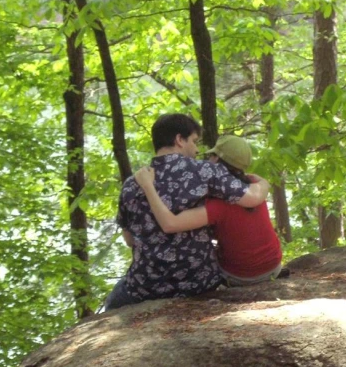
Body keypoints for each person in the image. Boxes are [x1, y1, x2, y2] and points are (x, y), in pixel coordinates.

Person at [102, 114, 269, 311]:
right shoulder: (205, 171)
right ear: (179, 140)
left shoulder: (131, 184)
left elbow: (129, 239)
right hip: (200, 282)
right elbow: (253, 197)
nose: (197, 149)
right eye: (194, 141)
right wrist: (264, 183)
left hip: (147, 286)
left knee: (112, 304)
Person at [134, 135, 282, 287]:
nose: (207, 161)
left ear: (217, 160)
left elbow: (170, 224)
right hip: (274, 265)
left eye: (211, 155)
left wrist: (148, 186)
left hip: (242, 276)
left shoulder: (218, 205)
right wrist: (264, 182)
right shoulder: (254, 186)